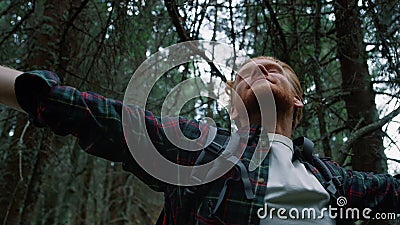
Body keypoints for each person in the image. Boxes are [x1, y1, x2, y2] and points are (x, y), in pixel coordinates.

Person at [0, 56, 399, 225]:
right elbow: (98, 117)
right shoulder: (201, 149)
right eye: (246, 75)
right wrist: (24, 90)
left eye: (272, 68)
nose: (260, 69)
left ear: (297, 99)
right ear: (234, 107)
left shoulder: (335, 182)